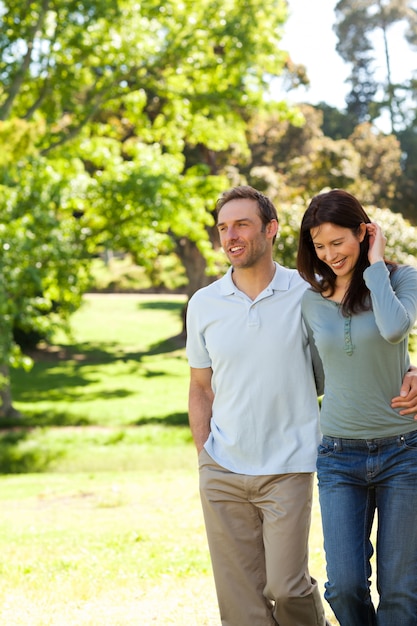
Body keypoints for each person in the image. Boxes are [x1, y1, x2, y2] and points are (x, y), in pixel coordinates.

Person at [186, 185, 417, 626]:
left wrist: (413, 369)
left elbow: (381, 337)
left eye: (242, 225)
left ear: (270, 229)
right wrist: (204, 457)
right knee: (285, 600)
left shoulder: (328, 288)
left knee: (316, 590)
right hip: (269, 461)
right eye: (222, 227)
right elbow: (201, 385)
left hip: (342, 455)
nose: (230, 235)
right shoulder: (220, 302)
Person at [297, 188, 417, 626]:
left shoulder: (400, 279)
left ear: (363, 233)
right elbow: (314, 373)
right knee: (344, 587)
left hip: (403, 450)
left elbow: (392, 329)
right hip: (338, 455)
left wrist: (377, 263)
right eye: (319, 245)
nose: (329, 254)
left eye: (338, 242)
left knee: (401, 592)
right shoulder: (311, 299)